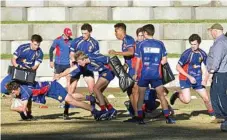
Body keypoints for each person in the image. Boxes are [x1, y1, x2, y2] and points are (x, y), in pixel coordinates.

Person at [55, 51, 117, 120]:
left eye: (79, 62)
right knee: (97, 94)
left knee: (96, 89)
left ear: (84, 59)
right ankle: (111, 110)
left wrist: (115, 72)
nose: (78, 64)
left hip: (108, 72)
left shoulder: (93, 58)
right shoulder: (83, 63)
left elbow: (108, 60)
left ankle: (103, 111)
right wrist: (60, 75)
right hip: (102, 73)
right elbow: (70, 69)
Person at [135, 24, 175, 124]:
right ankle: (167, 117)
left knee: (141, 96)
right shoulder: (160, 43)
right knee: (161, 96)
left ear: (145, 33)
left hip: (144, 74)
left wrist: (136, 73)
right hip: (156, 74)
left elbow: (138, 61)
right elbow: (164, 60)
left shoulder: (141, 44)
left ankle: (140, 119)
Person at [6, 80, 105, 121]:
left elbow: (23, 107)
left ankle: (96, 112)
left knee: (71, 101)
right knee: (70, 97)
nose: (13, 95)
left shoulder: (25, 91)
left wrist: (12, 108)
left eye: (13, 93)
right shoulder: (21, 89)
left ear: (16, 89)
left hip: (53, 88)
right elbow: (28, 103)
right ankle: (90, 98)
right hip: (50, 89)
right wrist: (28, 115)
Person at [170, 34, 215, 121]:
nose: (193, 46)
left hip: (197, 79)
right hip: (185, 79)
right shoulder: (186, 54)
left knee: (206, 98)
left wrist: (205, 79)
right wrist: (189, 77)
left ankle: (213, 114)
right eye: (191, 44)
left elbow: (208, 67)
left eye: (194, 44)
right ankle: (177, 94)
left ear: (199, 44)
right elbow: (177, 67)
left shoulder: (202, 54)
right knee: (187, 100)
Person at [0, 34, 43, 120]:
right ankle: (16, 100)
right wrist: (18, 66)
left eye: (38, 45)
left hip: (27, 75)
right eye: (35, 44)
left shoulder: (39, 52)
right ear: (31, 42)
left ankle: (28, 114)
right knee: (2, 88)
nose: (37, 46)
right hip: (17, 72)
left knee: (28, 93)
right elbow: (13, 59)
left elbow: (36, 66)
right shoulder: (23, 48)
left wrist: (30, 69)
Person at [109, 23, 139, 121]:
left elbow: (131, 52)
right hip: (130, 68)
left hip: (134, 68)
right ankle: (135, 114)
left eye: (116, 31)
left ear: (121, 30)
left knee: (134, 91)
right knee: (130, 91)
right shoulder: (124, 41)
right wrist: (125, 66)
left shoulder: (128, 39)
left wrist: (116, 53)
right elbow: (128, 57)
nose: (115, 33)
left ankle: (138, 114)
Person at [206, 23, 227, 132]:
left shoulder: (220, 42)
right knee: (215, 94)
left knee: (220, 95)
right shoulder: (220, 41)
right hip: (219, 72)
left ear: (216, 31)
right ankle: (221, 117)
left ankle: (225, 116)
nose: (210, 33)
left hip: (220, 72)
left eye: (211, 31)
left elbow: (217, 59)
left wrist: (211, 72)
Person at [49, 27, 73, 119]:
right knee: (55, 80)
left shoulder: (71, 41)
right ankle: (54, 94)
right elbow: (51, 50)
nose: (68, 37)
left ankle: (68, 98)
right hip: (58, 64)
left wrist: (72, 61)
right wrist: (51, 61)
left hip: (67, 64)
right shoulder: (58, 40)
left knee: (69, 81)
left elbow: (72, 52)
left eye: (69, 35)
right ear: (64, 34)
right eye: (67, 35)